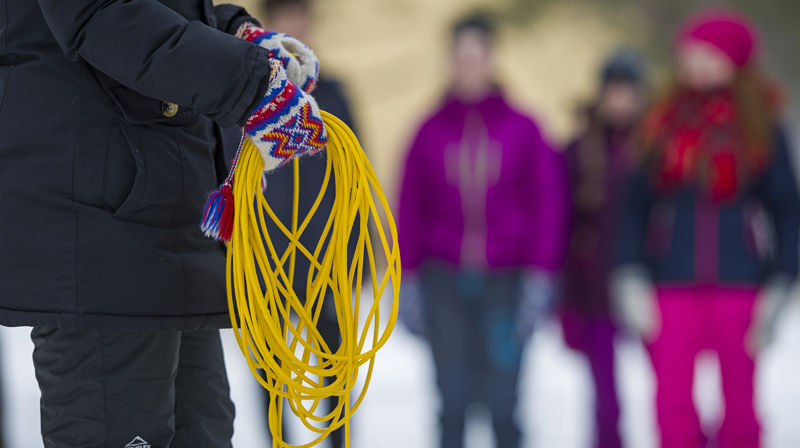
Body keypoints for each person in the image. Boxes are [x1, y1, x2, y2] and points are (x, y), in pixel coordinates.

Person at [0, 0, 327, 446]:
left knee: (206, 433)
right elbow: (103, 13)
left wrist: (233, 32)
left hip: (168, 222)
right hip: (103, 235)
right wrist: (249, 85)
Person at [614, 10, 800, 448]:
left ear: (733, 60)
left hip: (740, 282)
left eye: (708, 54)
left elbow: (787, 212)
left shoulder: (760, 127)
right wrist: (629, 272)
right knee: (671, 402)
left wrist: (780, 281)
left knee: (740, 405)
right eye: (690, 54)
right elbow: (633, 207)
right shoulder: (660, 123)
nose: (696, 63)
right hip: (671, 280)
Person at [397, 14, 569, 448]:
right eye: (460, 57)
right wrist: (409, 277)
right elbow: (409, 208)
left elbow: (548, 205)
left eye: (477, 56)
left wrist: (541, 274)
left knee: (502, 400)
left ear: (492, 60)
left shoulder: (525, 129)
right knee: (451, 400)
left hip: (506, 284)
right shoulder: (427, 130)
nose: (468, 65)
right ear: (449, 62)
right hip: (444, 282)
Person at [220, 1, 358, 446]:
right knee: (270, 370)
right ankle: (278, 441)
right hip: (265, 256)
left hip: (324, 255)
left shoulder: (334, 92)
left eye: (300, 16)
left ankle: (339, 441)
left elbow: (354, 177)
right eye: (285, 17)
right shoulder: (242, 97)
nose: (295, 25)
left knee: (335, 366)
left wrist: (354, 248)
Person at [561, 48, 648, 448]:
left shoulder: (654, 146)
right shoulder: (580, 149)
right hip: (593, 284)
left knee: (672, 382)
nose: (620, 102)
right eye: (613, 92)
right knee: (605, 394)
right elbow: (563, 220)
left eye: (627, 92)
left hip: (649, 279)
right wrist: (565, 295)